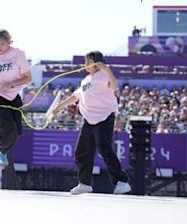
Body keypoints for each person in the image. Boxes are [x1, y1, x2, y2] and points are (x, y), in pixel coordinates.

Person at [52, 51, 131, 195]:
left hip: (104, 117)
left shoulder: (102, 75)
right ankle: (85, 183)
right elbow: (76, 96)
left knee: (104, 148)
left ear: (96, 62)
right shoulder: (86, 80)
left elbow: (114, 87)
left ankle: (122, 181)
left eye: (88, 61)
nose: (85, 64)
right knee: (82, 151)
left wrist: (106, 68)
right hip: (89, 119)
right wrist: (60, 106)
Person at [0, 29, 32, 167]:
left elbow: (28, 78)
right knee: (7, 125)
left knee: (17, 131)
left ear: (9, 42)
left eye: (2, 43)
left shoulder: (18, 55)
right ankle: (2, 151)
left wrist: (11, 84)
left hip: (12, 96)